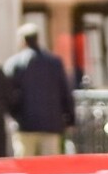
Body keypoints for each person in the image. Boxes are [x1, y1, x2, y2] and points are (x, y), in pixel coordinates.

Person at [4, 22, 76, 157]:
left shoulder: (14, 63)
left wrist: (14, 115)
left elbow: (7, 95)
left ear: (23, 41)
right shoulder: (54, 62)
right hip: (51, 124)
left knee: (25, 168)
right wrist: (70, 119)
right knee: (49, 169)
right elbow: (65, 92)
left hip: (25, 124)